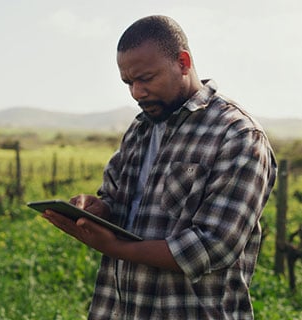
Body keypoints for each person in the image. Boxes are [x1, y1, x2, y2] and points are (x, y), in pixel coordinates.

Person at [42, 15, 277, 319]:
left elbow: (213, 246)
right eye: (128, 82)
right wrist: (98, 210)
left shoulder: (238, 136)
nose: (137, 92)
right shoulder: (140, 130)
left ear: (182, 62)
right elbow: (117, 201)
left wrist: (115, 248)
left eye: (146, 78)